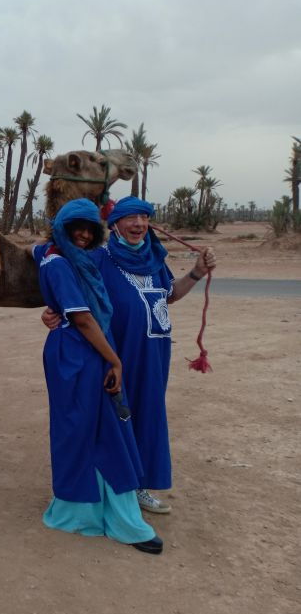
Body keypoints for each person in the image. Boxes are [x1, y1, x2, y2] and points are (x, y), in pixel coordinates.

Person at [42, 196, 217, 514]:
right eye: (130, 218)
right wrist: (53, 312)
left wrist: (196, 273)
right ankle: (117, 488)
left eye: (144, 218)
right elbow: (72, 289)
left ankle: (141, 485)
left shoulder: (154, 260)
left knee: (149, 412)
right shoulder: (99, 258)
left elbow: (168, 296)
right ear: (115, 225)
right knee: (120, 416)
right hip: (118, 353)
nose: (138, 224)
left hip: (154, 352)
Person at [33, 198, 162, 555]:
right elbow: (84, 318)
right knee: (99, 428)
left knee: (89, 428)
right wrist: (116, 361)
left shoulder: (58, 256)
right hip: (79, 352)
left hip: (80, 351)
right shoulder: (59, 264)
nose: (85, 236)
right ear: (63, 227)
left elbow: (37, 250)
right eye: (78, 227)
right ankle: (118, 520)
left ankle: (92, 511)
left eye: (91, 229)